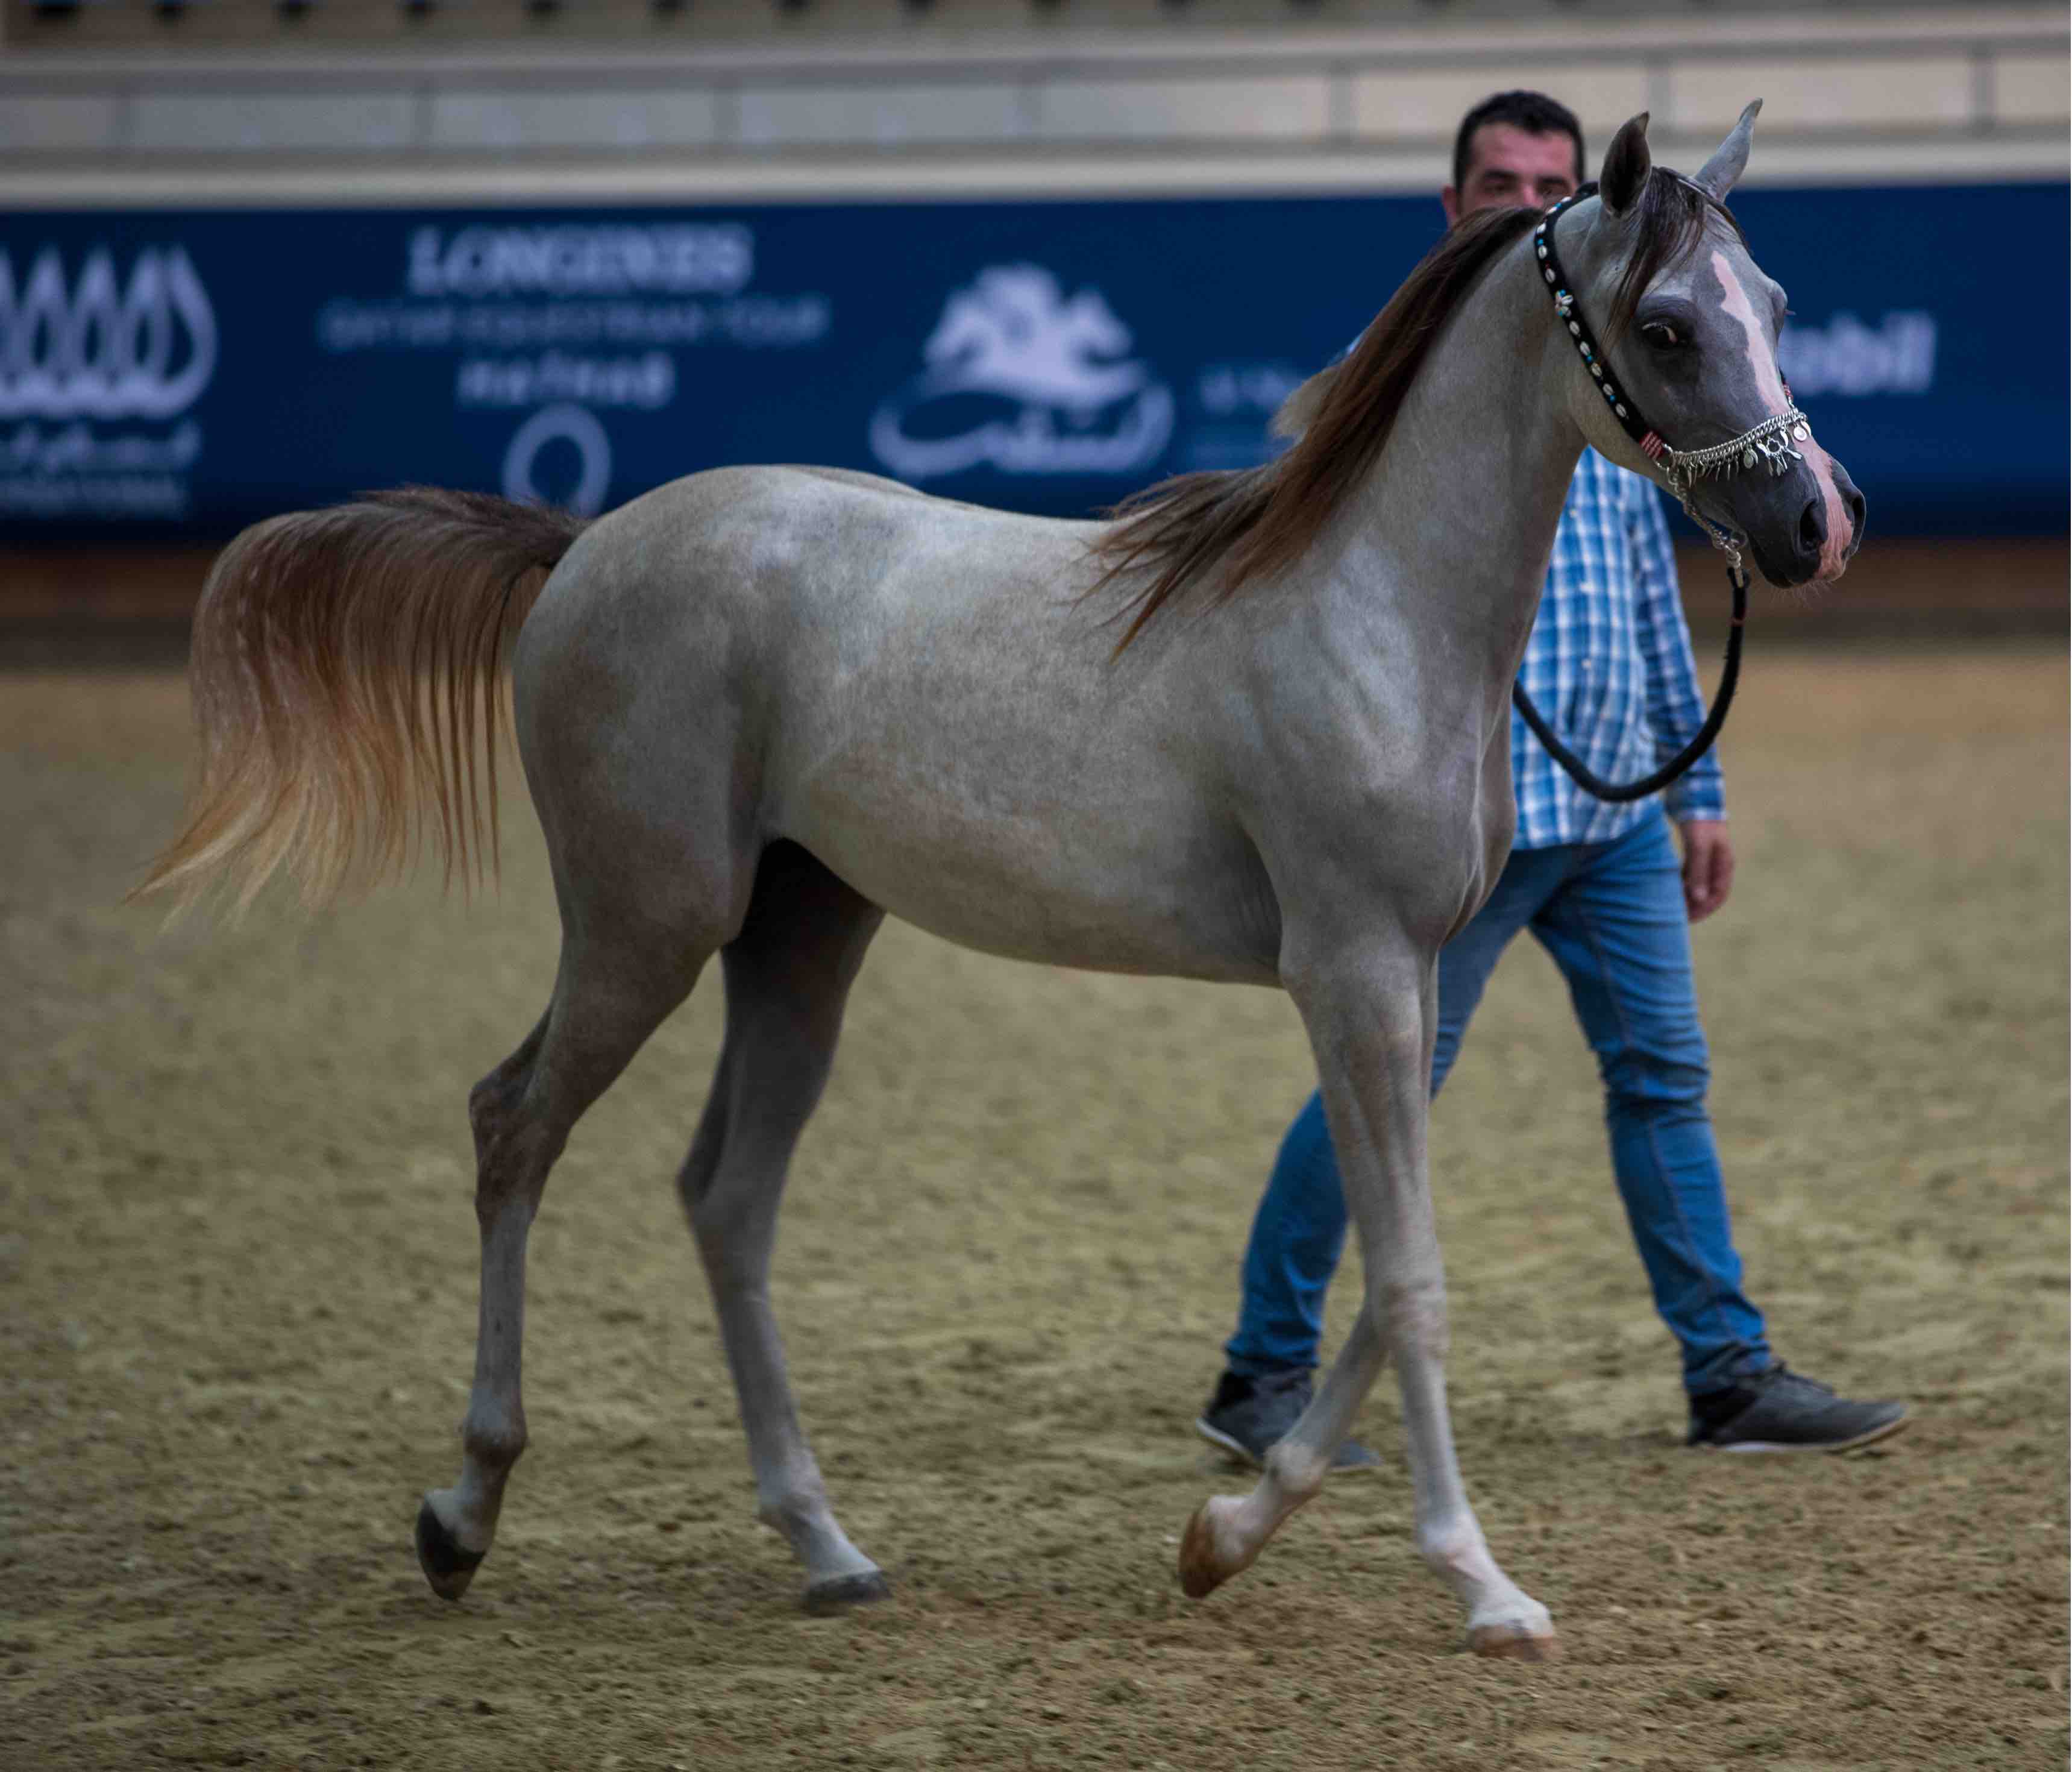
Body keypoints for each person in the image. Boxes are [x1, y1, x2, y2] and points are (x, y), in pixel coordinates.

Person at [1196, 90, 1908, 1469]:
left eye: (1549, 186)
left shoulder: (1628, 345)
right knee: (1387, 1084)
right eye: (1498, 186)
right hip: (1459, 815)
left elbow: (1647, 592)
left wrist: (1695, 792)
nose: (1526, 207)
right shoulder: (1387, 375)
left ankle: (1729, 1374)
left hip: (1616, 806)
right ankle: (1260, 1371)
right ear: (1450, 206)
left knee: (1664, 1076)